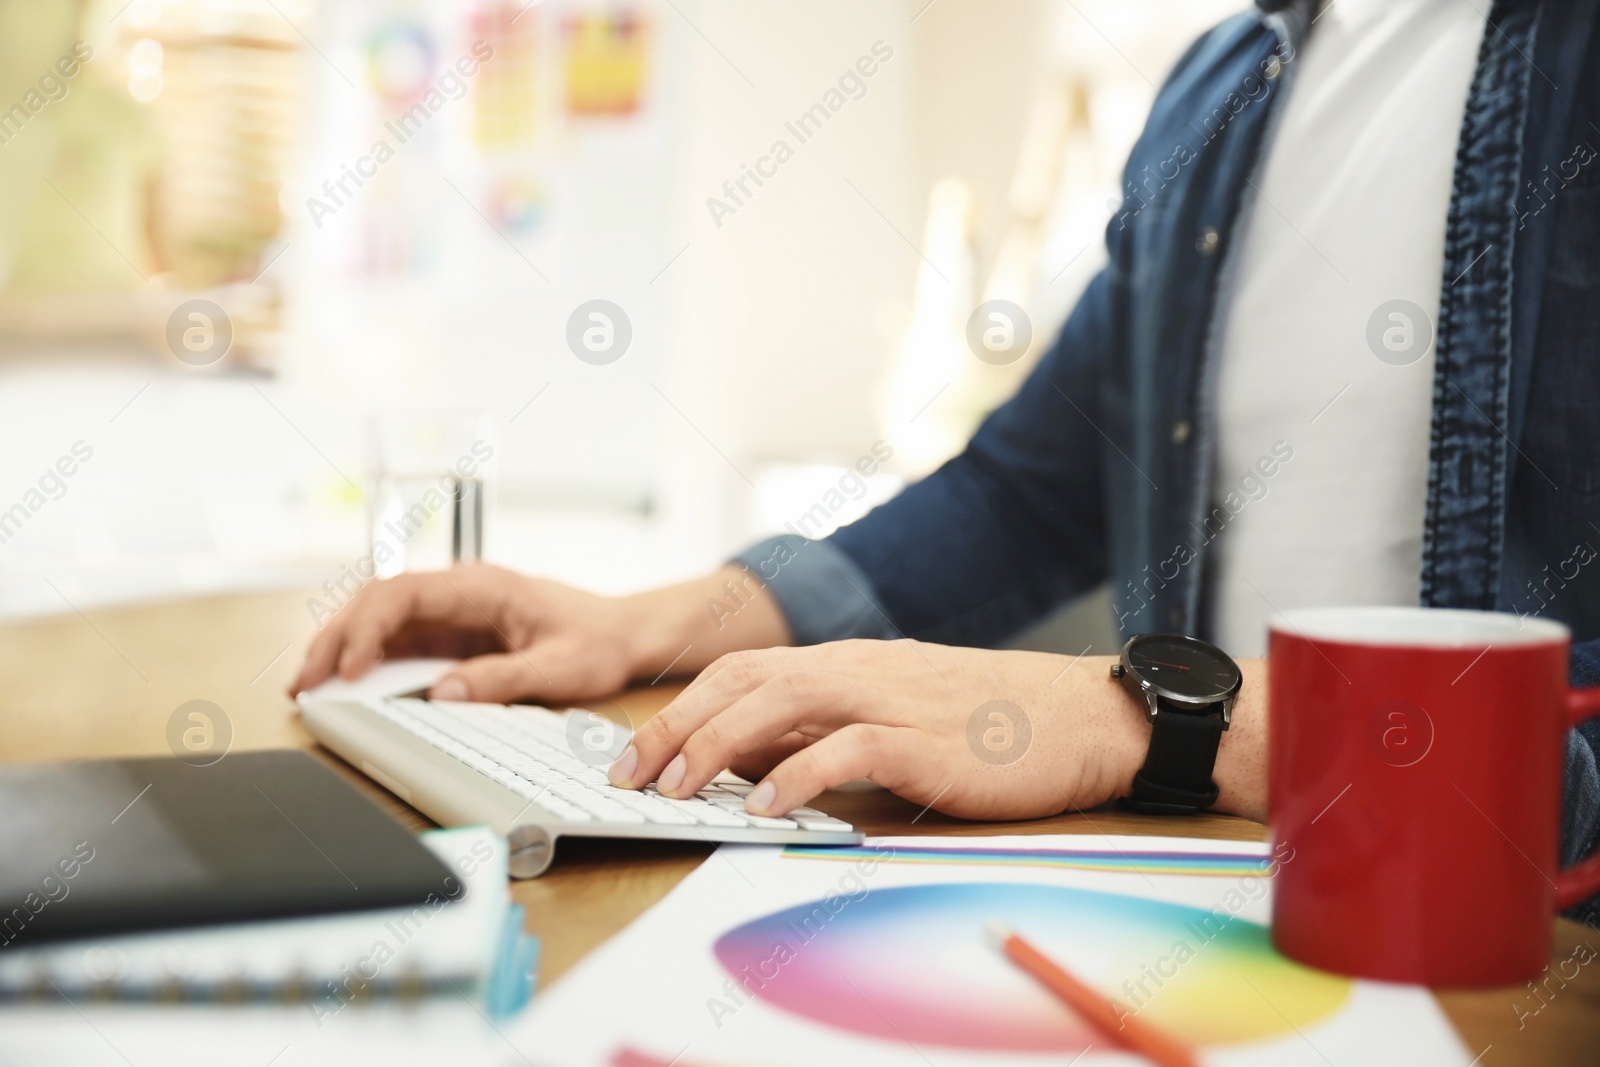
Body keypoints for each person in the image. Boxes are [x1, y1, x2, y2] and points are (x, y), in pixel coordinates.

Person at [293, 0, 1600, 914]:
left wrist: (1134, 718)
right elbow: (1027, 491)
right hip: (1228, 926)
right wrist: (650, 622)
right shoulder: (1228, 78)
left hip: (1505, 963)